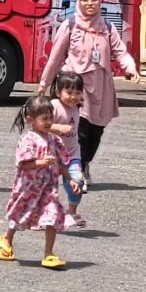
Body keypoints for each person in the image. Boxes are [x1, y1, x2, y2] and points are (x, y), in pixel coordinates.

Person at [37, 0, 140, 189]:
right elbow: (55, 58)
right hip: (75, 89)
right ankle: (78, 169)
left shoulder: (107, 28)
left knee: (96, 131)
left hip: (101, 88)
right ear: (79, 2)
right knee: (80, 130)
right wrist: (44, 83)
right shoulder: (71, 25)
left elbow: (120, 52)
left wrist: (131, 67)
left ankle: (85, 163)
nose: (90, 3)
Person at [0, 95, 82, 269]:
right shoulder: (28, 139)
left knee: (52, 216)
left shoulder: (54, 139)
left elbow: (61, 162)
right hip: (28, 188)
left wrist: (70, 179)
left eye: (51, 118)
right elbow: (23, 163)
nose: (49, 122)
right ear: (31, 119)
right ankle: (6, 239)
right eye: (44, 118)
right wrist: (39, 163)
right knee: (20, 215)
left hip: (48, 189)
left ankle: (49, 254)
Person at [49, 71, 87, 227]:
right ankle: (45, 216)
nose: (73, 97)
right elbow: (42, 126)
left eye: (77, 93)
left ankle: (72, 212)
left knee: (77, 181)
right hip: (51, 156)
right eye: (69, 92)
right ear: (58, 92)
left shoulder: (77, 108)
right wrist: (59, 128)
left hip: (72, 155)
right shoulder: (53, 106)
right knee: (47, 189)